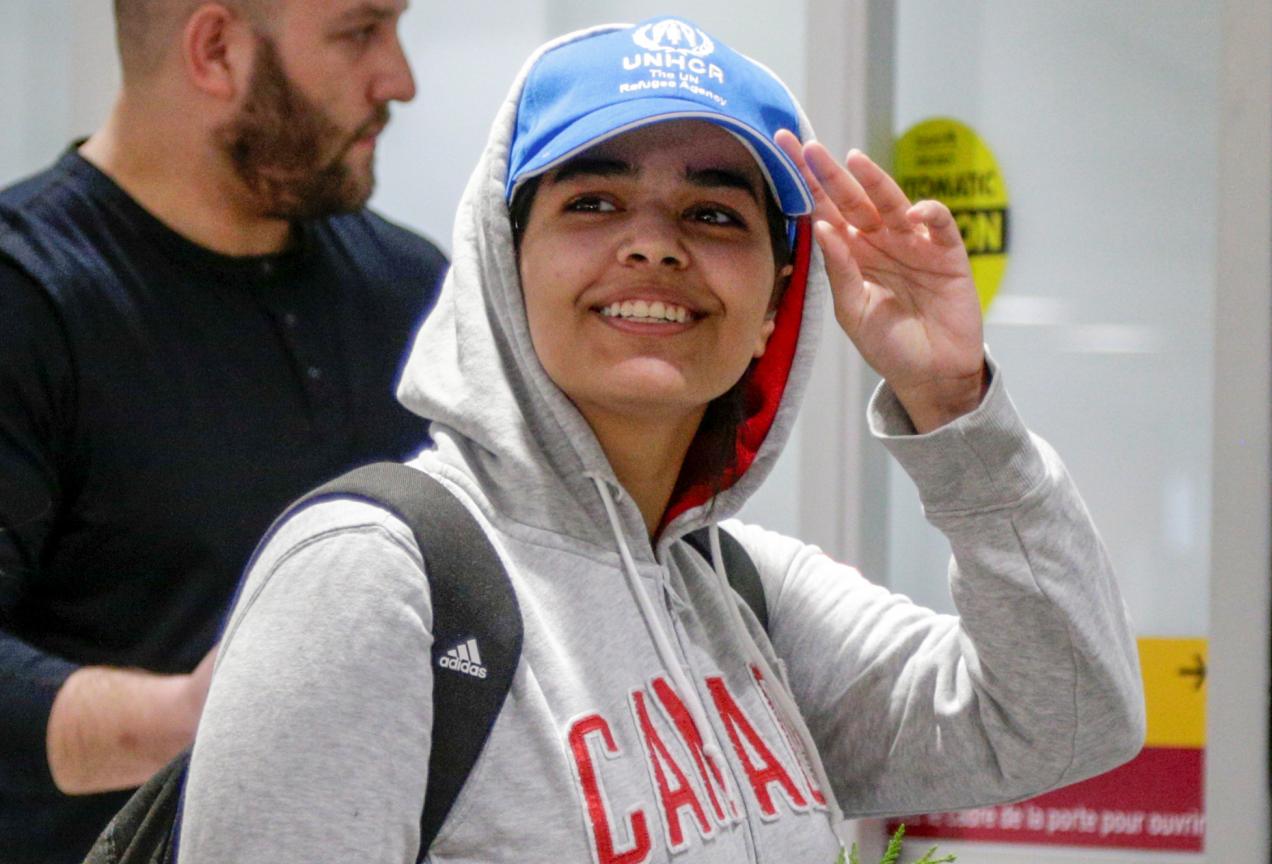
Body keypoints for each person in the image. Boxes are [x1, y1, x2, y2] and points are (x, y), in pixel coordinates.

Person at [178, 16, 1144, 863]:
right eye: (591, 202)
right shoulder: (372, 581)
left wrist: (952, 403)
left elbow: (1065, 716)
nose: (653, 245)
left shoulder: (747, 599)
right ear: (502, 267)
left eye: (714, 213)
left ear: (775, 303)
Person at [0, 1, 446, 861]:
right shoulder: (29, 301)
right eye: (360, 33)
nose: (400, 79)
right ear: (215, 50)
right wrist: (196, 720)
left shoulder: (411, 291)